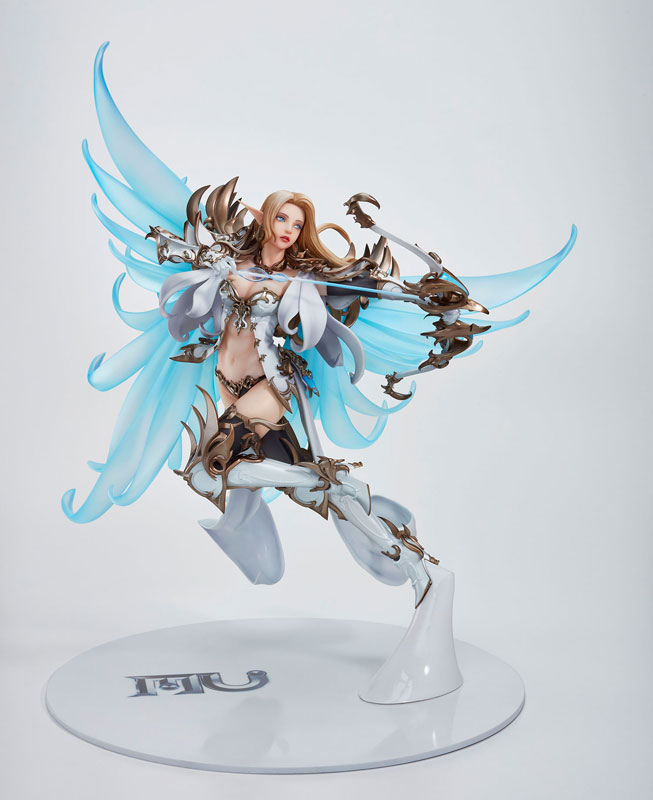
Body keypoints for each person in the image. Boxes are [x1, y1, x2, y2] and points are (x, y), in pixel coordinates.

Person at [63, 43, 577, 614]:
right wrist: (205, 271)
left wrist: (318, 294)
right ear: (266, 216)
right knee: (290, 485)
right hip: (225, 388)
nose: (289, 228)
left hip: (270, 389)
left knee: (215, 471)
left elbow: (323, 326)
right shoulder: (227, 259)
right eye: (283, 217)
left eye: (298, 223)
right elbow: (183, 306)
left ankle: (367, 526)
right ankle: (386, 537)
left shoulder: (301, 282)